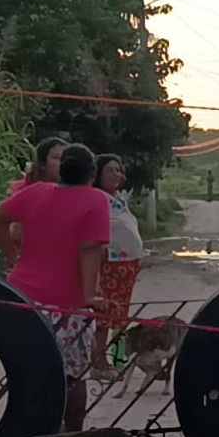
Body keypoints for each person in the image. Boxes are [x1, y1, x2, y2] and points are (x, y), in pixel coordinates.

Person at [0, 144, 110, 433]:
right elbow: (89, 250)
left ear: (62, 170)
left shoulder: (36, 191)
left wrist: (10, 255)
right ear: (92, 174)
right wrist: (89, 296)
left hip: (22, 298)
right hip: (66, 305)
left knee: (28, 371)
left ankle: (27, 432)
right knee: (72, 376)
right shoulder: (95, 200)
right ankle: (71, 434)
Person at [91, 154, 145, 378]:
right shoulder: (96, 198)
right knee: (104, 318)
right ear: (97, 174)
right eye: (110, 170)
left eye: (119, 170)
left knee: (119, 317)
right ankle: (99, 364)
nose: (117, 175)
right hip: (110, 265)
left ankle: (118, 359)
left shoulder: (118, 199)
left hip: (126, 267)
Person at [8, 137, 68, 253]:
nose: (63, 163)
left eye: (66, 158)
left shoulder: (75, 195)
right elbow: (15, 236)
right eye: (56, 158)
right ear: (42, 163)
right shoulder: (24, 192)